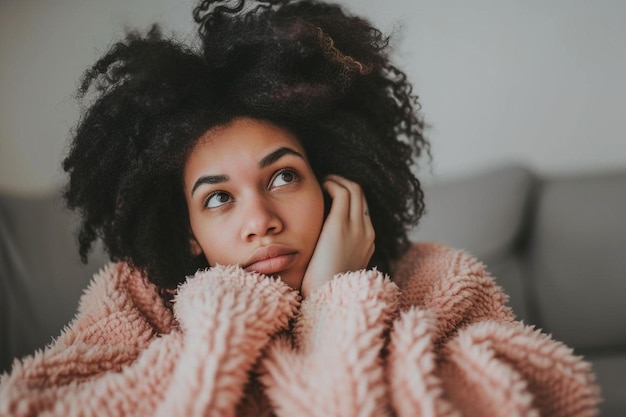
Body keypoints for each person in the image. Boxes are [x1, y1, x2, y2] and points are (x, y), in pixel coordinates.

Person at [0, 1, 600, 416]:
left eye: (283, 176)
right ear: (188, 232)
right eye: (218, 198)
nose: (260, 218)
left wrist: (338, 297)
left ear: (334, 183)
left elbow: (535, 392)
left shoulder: (434, 279)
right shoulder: (135, 303)